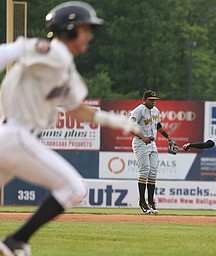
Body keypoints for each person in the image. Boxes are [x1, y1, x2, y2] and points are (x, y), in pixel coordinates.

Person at [0, 2, 140, 255]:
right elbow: (7, 52)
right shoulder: (51, 52)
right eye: (86, 29)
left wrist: (119, 122)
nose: (90, 36)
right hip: (16, 136)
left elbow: (76, 109)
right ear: (70, 30)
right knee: (74, 188)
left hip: (10, 138)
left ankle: (14, 242)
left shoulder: (66, 70)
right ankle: (16, 240)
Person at [129, 90, 177, 215]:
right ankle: (142, 202)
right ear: (143, 100)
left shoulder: (156, 111)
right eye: (150, 99)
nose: (153, 102)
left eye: (154, 100)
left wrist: (168, 137)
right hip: (140, 142)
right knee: (144, 170)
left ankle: (150, 201)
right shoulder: (138, 110)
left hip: (152, 143)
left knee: (153, 171)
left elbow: (158, 125)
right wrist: (143, 137)